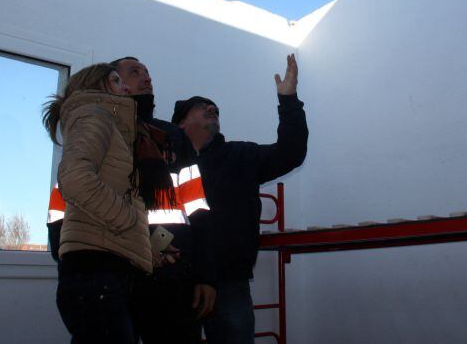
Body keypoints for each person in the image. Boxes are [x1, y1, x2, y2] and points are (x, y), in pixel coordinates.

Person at [171, 54, 308, 344]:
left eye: (215, 109)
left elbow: (291, 152)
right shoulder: (164, 163)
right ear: (181, 123)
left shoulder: (240, 155)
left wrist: (289, 101)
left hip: (229, 283)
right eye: (201, 106)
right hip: (173, 283)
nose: (212, 109)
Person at [42, 63, 165, 344]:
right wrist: (127, 220)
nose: (125, 87)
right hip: (96, 272)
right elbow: (74, 176)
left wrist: (144, 249)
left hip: (105, 271)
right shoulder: (95, 115)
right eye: (116, 80)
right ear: (97, 86)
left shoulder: (114, 129)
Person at [111, 56, 217, 344]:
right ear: (114, 83)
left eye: (147, 73)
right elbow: (69, 211)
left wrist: (205, 276)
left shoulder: (173, 137)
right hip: (114, 278)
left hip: (173, 276)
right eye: (135, 72)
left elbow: (197, 209)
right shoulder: (98, 132)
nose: (147, 78)